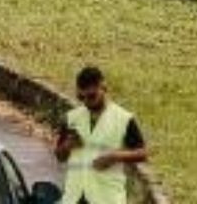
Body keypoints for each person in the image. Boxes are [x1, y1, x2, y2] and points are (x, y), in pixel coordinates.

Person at [55, 65, 148, 204]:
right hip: (74, 198)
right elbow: (59, 156)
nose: (86, 102)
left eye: (91, 96)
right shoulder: (71, 118)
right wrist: (67, 146)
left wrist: (114, 156)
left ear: (103, 87)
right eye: (81, 97)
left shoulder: (123, 118)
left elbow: (142, 153)